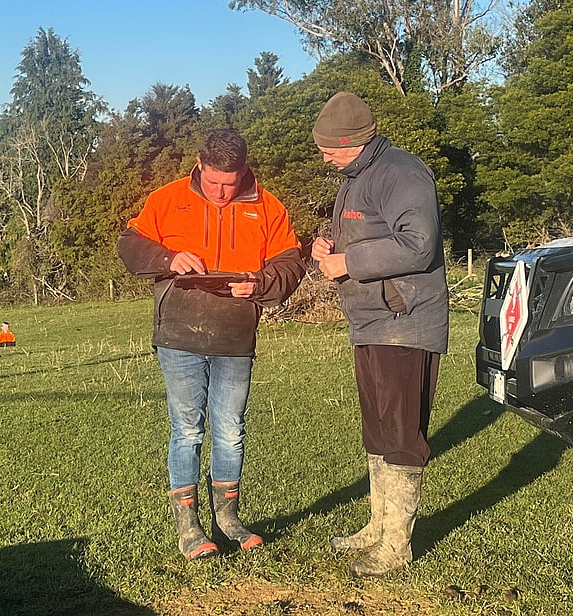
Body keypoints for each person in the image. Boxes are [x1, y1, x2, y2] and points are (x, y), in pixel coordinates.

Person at [119, 129, 305, 560]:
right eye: (214, 181)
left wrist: (260, 283)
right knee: (187, 429)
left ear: (244, 171)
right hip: (179, 332)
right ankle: (189, 527)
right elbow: (130, 245)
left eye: (230, 183)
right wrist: (169, 258)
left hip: (235, 335)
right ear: (200, 165)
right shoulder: (166, 199)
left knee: (231, 429)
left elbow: (291, 263)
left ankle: (228, 519)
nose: (221, 192)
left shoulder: (269, 206)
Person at [311, 92, 449, 577]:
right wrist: (329, 245)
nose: (323, 157)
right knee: (377, 430)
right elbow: (370, 232)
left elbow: (419, 244)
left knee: (402, 434)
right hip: (370, 321)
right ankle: (377, 527)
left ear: (352, 141)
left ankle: (397, 545)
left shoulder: (401, 173)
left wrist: (347, 261)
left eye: (328, 149)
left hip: (404, 321)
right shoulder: (355, 177)